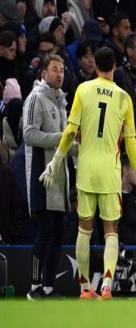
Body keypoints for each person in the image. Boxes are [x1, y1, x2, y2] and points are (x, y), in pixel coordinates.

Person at [39, 47, 136, 301]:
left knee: (84, 230)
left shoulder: (83, 90)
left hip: (86, 171)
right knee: (111, 230)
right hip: (110, 173)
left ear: (96, 67)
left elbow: (70, 131)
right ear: (114, 66)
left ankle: (85, 288)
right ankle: (107, 285)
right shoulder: (124, 98)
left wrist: (55, 161)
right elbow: (131, 141)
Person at [24, 54, 68, 299]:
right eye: (54, 69)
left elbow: (65, 143)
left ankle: (49, 287)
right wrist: (62, 138)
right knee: (43, 234)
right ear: (43, 73)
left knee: (58, 234)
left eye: (62, 70)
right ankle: (34, 288)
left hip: (61, 181)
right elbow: (29, 134)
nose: (59, 74)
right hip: (41, 176)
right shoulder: (35, 98)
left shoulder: (61, 102)